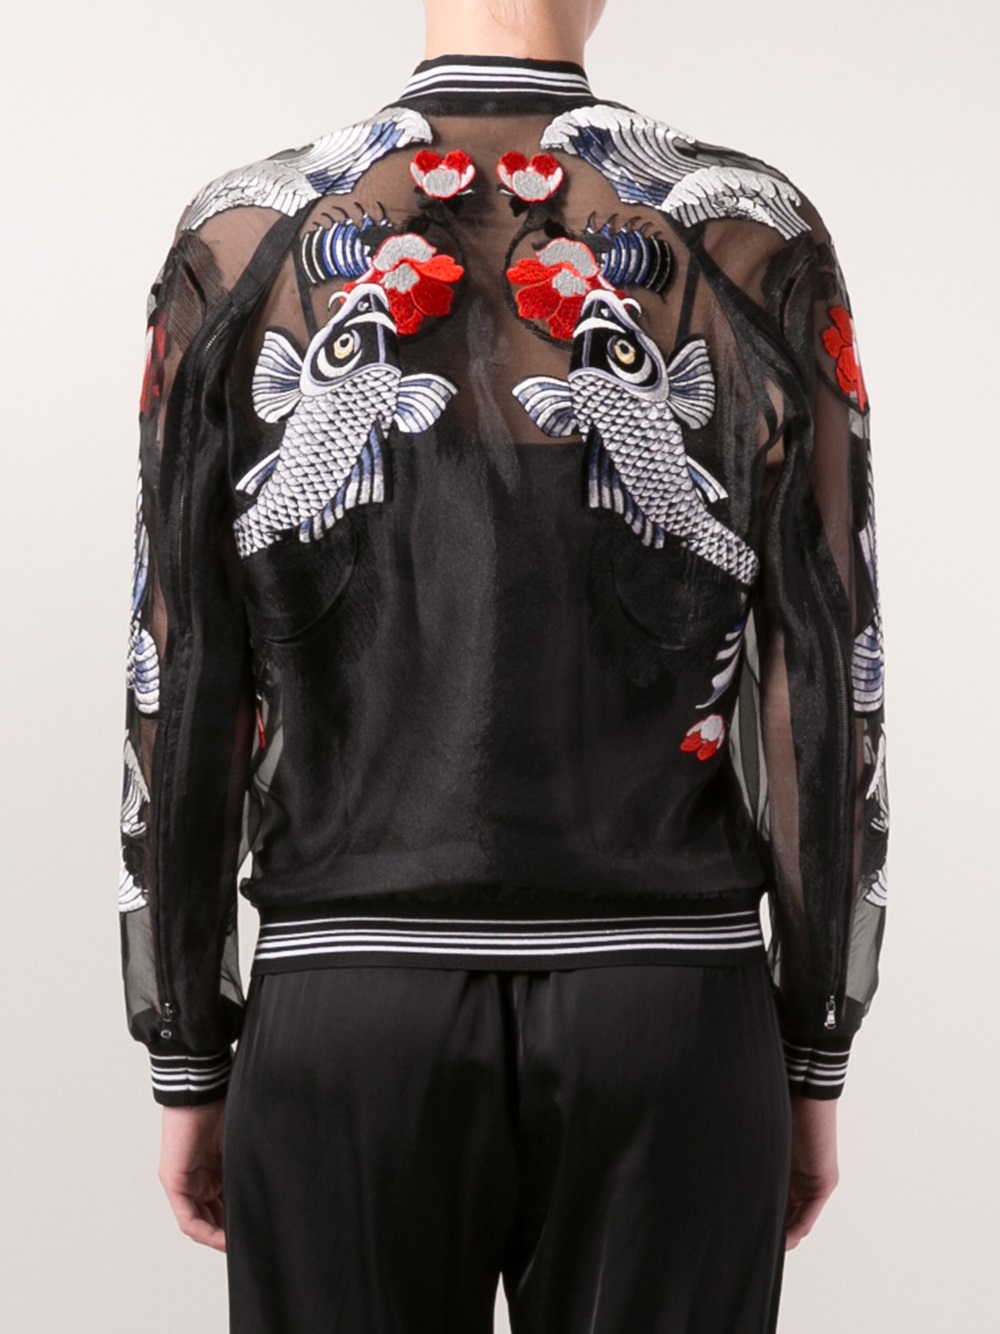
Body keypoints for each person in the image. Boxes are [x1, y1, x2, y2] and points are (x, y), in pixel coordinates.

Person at [118, 0, 889, 1329]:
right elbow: (825, 661)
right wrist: (815, 1044)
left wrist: (187, 1042)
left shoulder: (242, 238)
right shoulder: (752, 235)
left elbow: (179, 670)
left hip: (348, 1004)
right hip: (668, 1005)